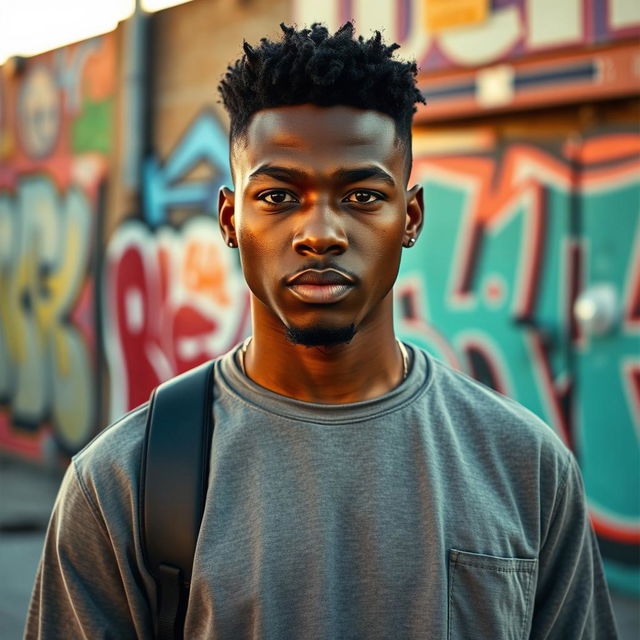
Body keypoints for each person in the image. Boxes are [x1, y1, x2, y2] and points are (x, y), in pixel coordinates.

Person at [25, 23, 618, 639]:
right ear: (230, 219)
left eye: (362, 195)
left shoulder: (525, 465)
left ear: (409, 217)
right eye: (279, 195)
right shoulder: (125, 481)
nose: (321, 233)